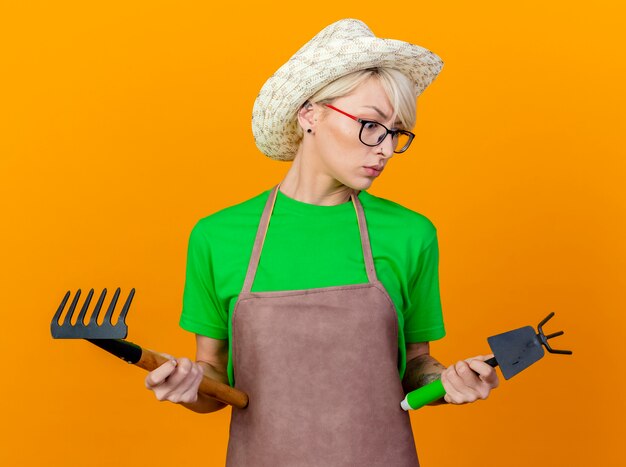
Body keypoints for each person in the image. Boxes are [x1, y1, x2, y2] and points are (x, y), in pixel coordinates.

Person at [145, 18, 499, 466]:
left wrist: (449, 381)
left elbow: (416, 367)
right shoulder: (218, 236)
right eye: (371, 125)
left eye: (396, 133)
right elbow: (214, 380)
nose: (386, 149)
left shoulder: (412, 234)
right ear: (310, 114)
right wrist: (187, 386)